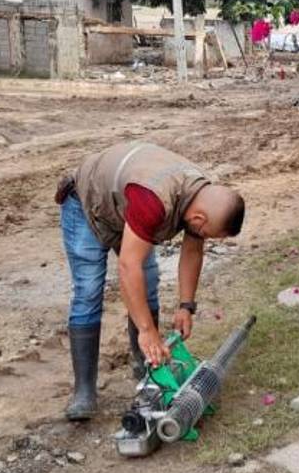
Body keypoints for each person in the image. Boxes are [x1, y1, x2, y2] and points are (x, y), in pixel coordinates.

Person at [55, 141, 245, 421]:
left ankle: (144, 365)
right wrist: (147, 330)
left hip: (125, 207)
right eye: (208, 233)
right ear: (199, 217)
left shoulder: (197, 193)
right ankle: (84, 391)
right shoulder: (154, 200)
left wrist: (186, 305)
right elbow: (128, 265)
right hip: (87, 203)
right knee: (89, 290)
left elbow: (192, 250)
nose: (204, 238)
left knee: (148, 281)